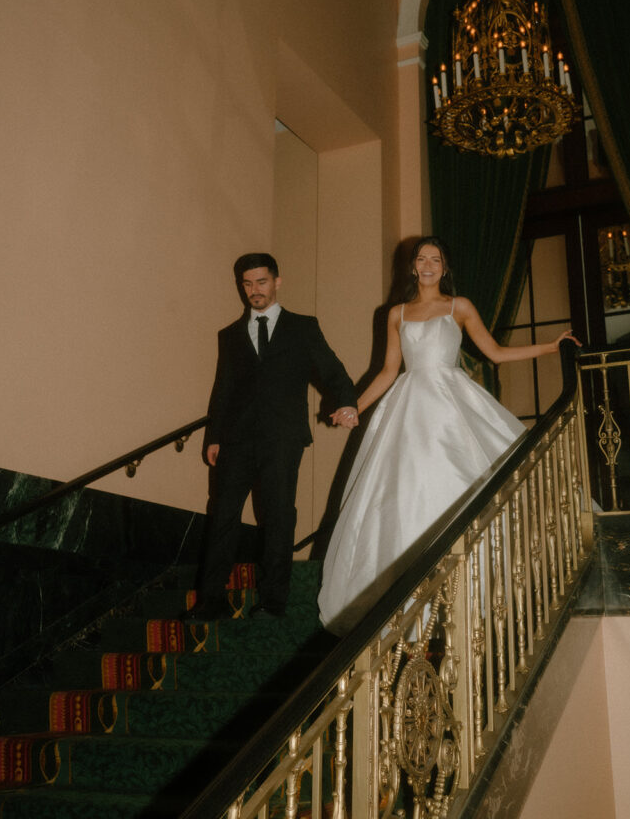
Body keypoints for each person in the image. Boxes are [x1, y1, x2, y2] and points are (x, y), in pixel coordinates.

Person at [318, 237, 580, 636]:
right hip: (407, 408)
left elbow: (495, 352)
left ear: (444, 267)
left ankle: (470, 584)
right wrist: (355, 406)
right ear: (412, 267)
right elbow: (389, 371)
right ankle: (409, 598)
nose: (427, 265)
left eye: (434, 259)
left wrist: (551, 346)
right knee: (403, 494)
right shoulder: (396, 314)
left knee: (460, 480)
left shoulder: (460, 307)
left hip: (451, 402)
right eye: (420, 259)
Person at [186, 252, 358, 621]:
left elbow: (332, 369)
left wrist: (347, 402)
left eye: (261, 282)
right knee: (222, 517)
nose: (254, 290)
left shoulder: (302, 327)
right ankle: (211, 600)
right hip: (235, 439)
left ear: (277, 282)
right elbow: (223, 389)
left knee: (279, 516)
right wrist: (213, 436)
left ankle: (272, 601)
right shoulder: (230, 335)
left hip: (282, 438)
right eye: (247, 284)